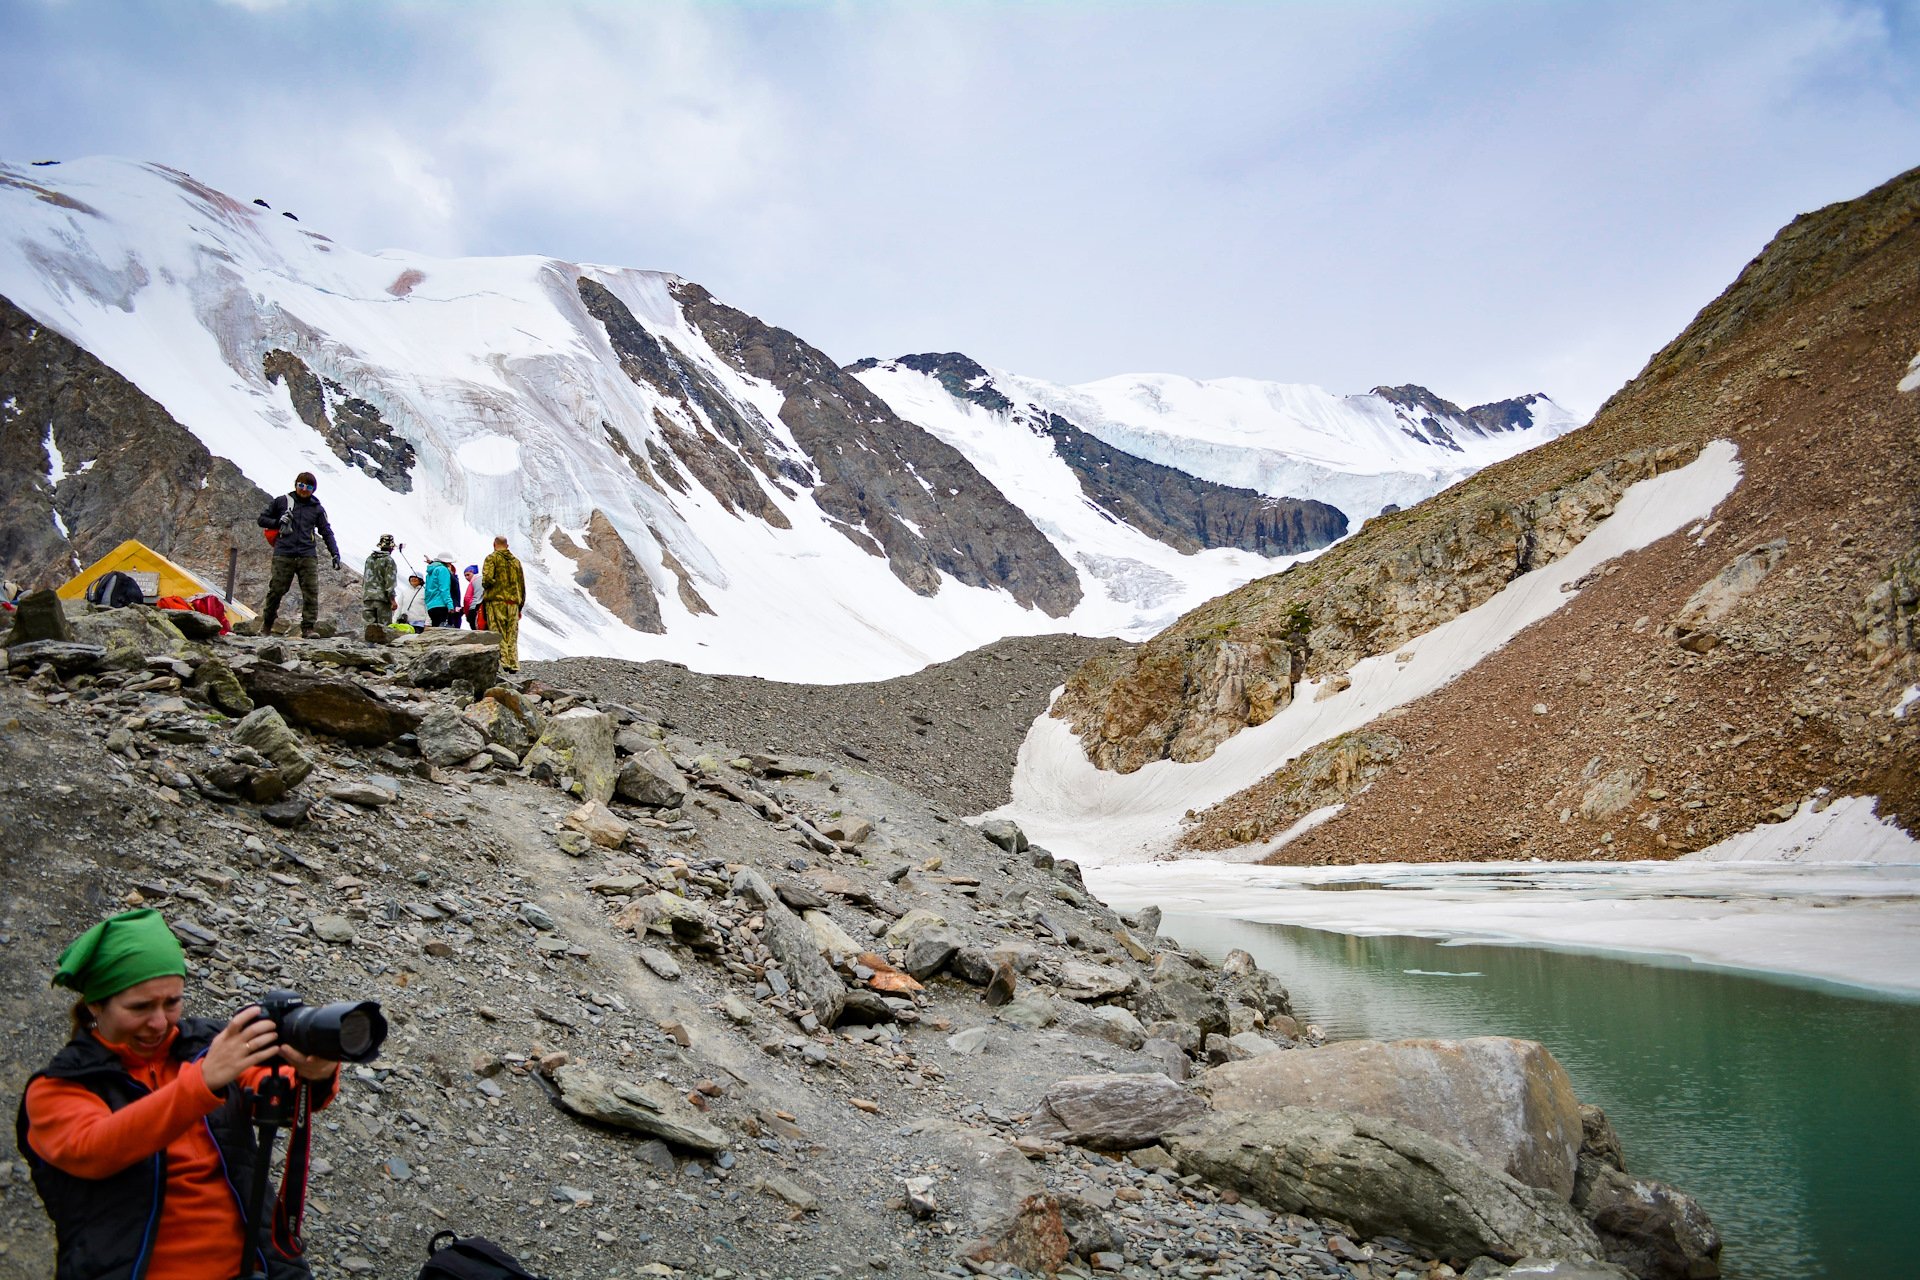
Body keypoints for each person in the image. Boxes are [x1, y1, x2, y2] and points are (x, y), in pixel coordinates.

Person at [18, 908, 340, 1280]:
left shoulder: (209, 1046)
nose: (159, 1022)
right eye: (139, 1007)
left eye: (171, 1002)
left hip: (261, 1267)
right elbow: (95, 1149)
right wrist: (201, 1083)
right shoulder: (59, 1087)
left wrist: (316, 1072)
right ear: (95, 1004)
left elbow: (282, 1095)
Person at [255, 472, 340, 638]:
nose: (304, 490)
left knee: (310, 591)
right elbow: (262, 519)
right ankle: (267, 625)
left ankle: (308, 628)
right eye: (301, 485)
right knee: (276, 590)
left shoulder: (317, 509)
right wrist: (278, 522)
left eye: (308, 487)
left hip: (307, 555)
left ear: (313, 490)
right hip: (284, 553)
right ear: (296, 485)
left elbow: (326, 531)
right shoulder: (282, 502)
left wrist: (334, 553)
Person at [480, 535, 526, 673]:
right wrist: (520, 605)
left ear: (494, 544)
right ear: (507, 546)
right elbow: (522, 584)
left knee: (498, 631)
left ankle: (503, 661)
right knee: (511, 633)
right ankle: (514, 663)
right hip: (513, 602)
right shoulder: (516, 562)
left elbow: (487, 579)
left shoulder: (491, 558)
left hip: (496, 600)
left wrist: (491, 585)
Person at [360, 535, 397, 641]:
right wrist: (392, 599)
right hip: (382, 599)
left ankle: (368, 648)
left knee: (368, 627)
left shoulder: (369, 559)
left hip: (368, 597)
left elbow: (365, 578)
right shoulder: (389, 560)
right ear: (391, 548)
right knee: (383, 628)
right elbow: (390, 582)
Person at [423, 553, 459, 627]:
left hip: (431, 606)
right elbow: (444, 589)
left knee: (435, 628)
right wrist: (450, 605)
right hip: (441, 605)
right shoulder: (443, 570)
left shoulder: (430, 572)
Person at [460, 564, 481, 629]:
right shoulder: (474, 581)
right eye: (465, 575)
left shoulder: (477, 580)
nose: (466, 577)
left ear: (473, 573)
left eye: (468, 575)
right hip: (473, 609)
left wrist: (471, 610)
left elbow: (476, 596)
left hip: (474, 609)